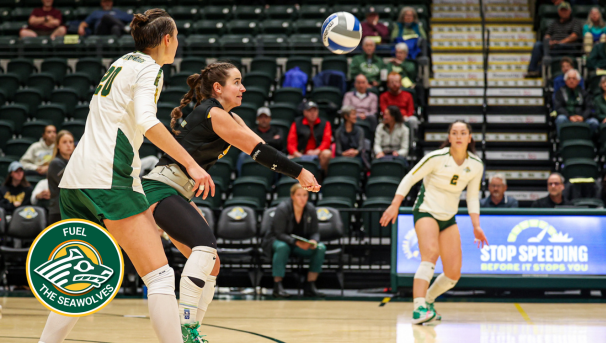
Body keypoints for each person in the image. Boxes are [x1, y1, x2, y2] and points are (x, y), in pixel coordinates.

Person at [38, 9, 213, 343]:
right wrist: (191, 163)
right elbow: (148, 122)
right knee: (161, 277)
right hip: (109, 178)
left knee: (78, 283)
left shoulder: (121, 62)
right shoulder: (150, 68)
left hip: (75, 181)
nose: (178, 43)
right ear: (166, 39)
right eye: (176, 37)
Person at [142, 62, 320, 340]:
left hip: (177, 191)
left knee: (211, 263)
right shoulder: (214, 114)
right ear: (218, 88)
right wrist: (299, 172)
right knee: (204, 247)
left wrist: (288, 165)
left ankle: (192, 331)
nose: (243, 88)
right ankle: (185, 326)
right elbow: (259, 152)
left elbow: (258, 145)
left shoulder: (230, 117)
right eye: (236, 82)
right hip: (159, 188)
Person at [379, 120, 488, 324]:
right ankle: (419, 308)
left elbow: (472, 197)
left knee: (453, 274)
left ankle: (428, 300)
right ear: (449, 137)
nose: (458, 136)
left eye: (463, 133)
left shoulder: (475, 165)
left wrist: (476, 225)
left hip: (448, 217)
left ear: (469, 137)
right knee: (430, 254)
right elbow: (409, 178)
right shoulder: (436, 158)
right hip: (426, 210)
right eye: (454, 132)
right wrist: (395, 204)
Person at [262, 184, 326, 298]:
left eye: (305, 195)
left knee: (320, 248)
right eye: (299, 195)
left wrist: (313, 241)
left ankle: (310, 285)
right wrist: (296, 243)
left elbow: (315, 231)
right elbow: (279, 233)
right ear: (292, 196)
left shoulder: (310, 209)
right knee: (282, 247)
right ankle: (277, 286)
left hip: (300, 244)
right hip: (278, 241)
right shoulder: (283, 208)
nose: (302, 198)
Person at [526, 2, 583, 77]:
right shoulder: (555, 23)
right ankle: (532, 70)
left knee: (551, 51)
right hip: (553, 45)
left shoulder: (575, 22)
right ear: (558, 12)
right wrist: (549, 41)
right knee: (538, 45)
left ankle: (540, 70)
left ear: (570, 11)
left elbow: (574, 36)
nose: (564, 12)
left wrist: (560, 42)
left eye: (565, 10)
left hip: (567, 46)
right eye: (562, 10)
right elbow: (547, 35)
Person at [287, 101, 333, 175]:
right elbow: (291, 143)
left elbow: (326, 142)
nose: (312, 113)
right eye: (309, 111)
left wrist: (316, 151)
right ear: (304, 112)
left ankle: (321, 177)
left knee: (327, 153)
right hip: (300, 153)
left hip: (318, 154)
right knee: (287, 159)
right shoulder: (297, 123)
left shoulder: (325, 123)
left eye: (315, 111)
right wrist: (296, 153)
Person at [554, 69, 598, 136]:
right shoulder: (560, 92)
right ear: (565, 81)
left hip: (581, 118)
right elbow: (558, 107)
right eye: (569, 78)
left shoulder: (584, 93)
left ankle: (588, 142)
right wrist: (569, 116)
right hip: (567, 117)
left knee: (594, 122)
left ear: (578, 81)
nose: (571, 81)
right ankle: (562, 142)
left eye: (574, 78)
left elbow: (589, 107)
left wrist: (582, 117)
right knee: (560, 119)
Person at [46, 130, 74, 225]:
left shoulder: (73, 162)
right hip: (59, 211)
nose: (69, 145)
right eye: (64, 142)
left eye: (71, 142)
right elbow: (69, 184)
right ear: (57, 145)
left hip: (71, 210)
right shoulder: (56, 163)